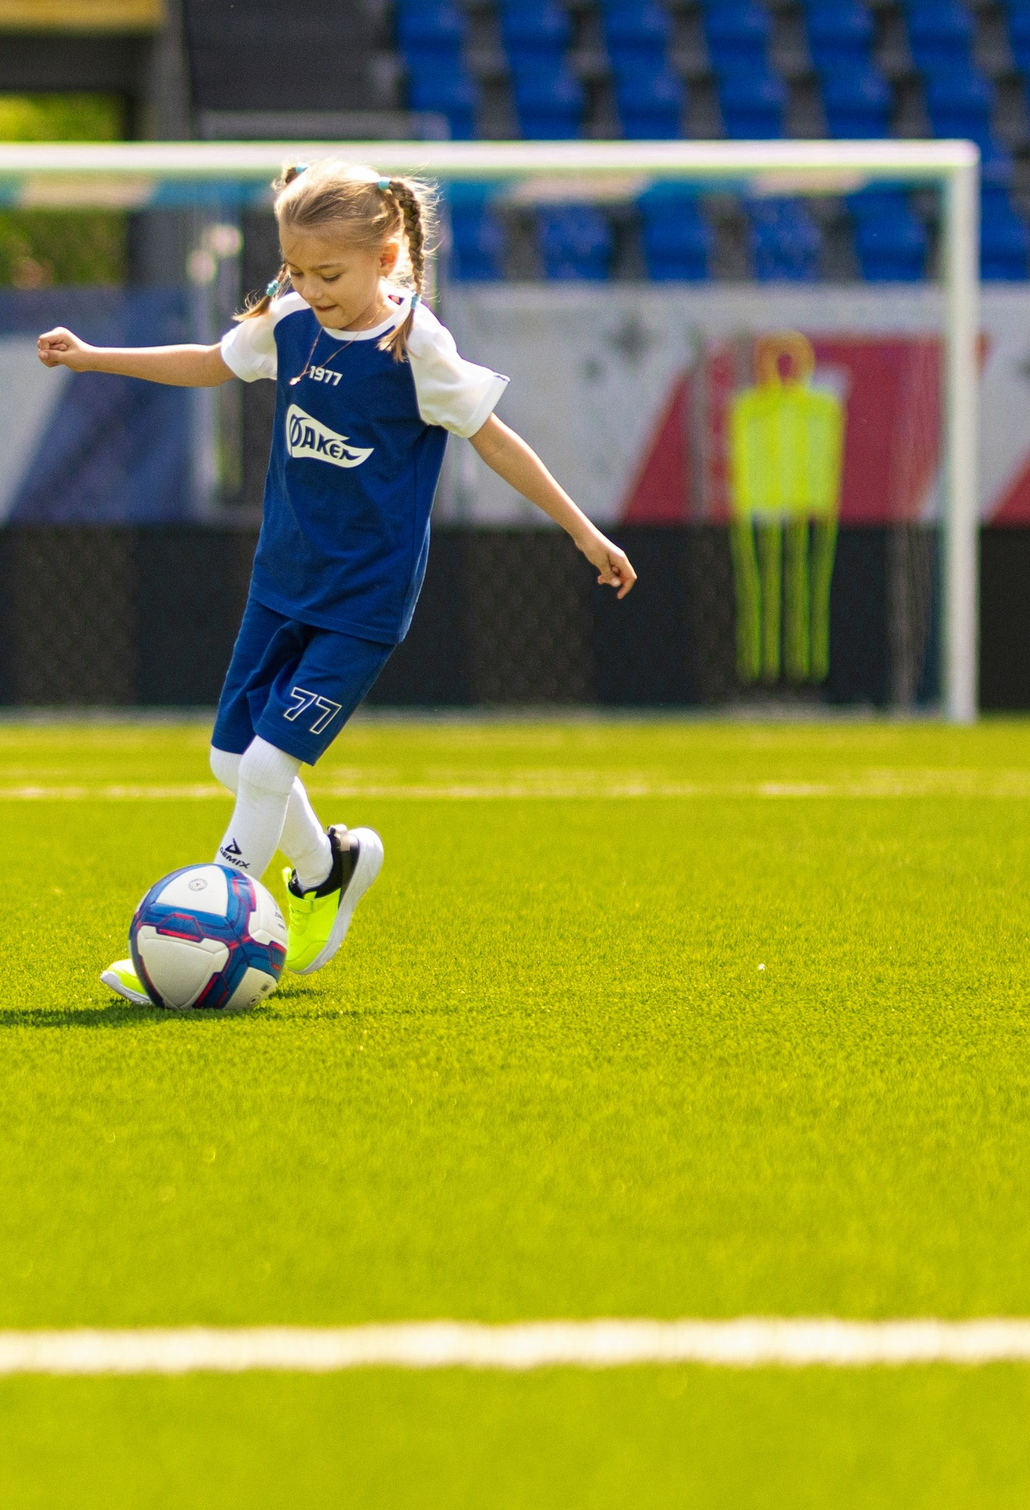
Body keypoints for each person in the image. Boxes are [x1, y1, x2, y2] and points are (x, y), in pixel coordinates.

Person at [34, 161, 637, 1004]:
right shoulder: (288, 322)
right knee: (228, 759)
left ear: (388, 255)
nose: (310, 289)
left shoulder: (414, 347)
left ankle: (206, 938)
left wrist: (583, 531)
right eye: (296, 270)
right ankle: (327, 869)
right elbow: (212, 361)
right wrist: (98, 358)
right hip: (281, 582)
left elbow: (496, 440)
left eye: (330, 274)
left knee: (266, 767)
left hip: (362, 604)